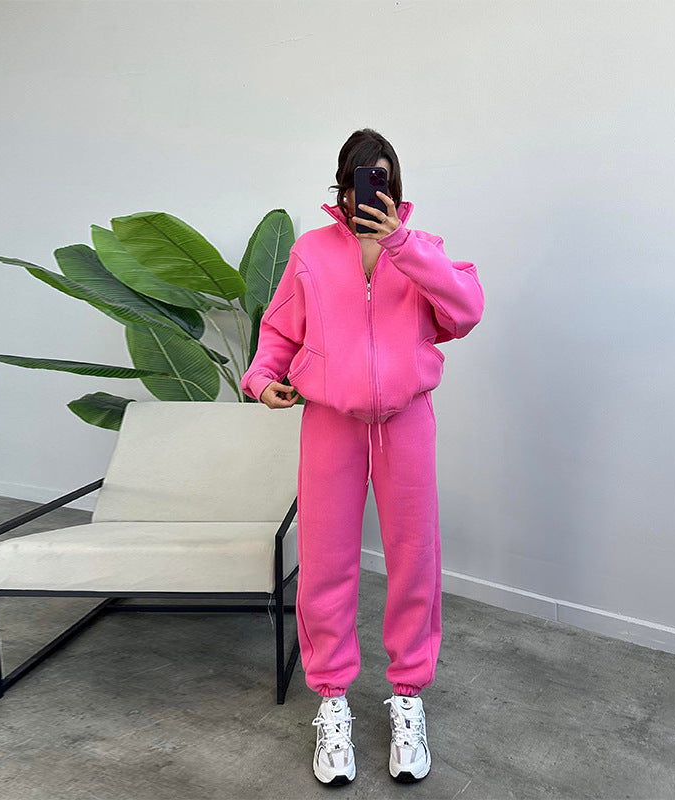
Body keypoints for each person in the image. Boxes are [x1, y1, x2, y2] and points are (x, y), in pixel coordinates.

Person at [240, 128, 485, 785]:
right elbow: (280, 328)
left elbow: (466, 311)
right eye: (355, 180)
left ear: (394, 188)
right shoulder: (312, 252)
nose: (365, 192)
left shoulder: (422, 249)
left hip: (406, 422)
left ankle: (408, 697)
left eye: (379, 179)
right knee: (325, 562)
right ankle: (332, 702)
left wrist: (403, 246)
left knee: (414, 558)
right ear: (342, 188)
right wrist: (262, 378)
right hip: (330, 424)